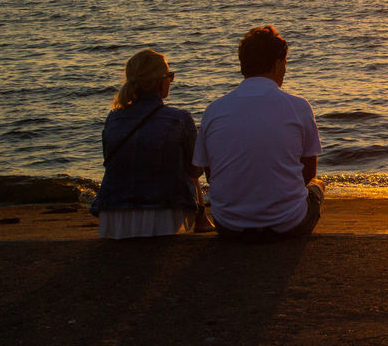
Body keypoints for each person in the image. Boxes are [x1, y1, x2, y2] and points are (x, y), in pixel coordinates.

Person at [194, 26, 324, 242]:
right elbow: (308, 172)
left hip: (228, 223)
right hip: (288, 223)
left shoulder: (215, 110)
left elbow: (209, 172)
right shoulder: (299, 106)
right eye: (285, 63)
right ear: (277, 64)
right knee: (317, 185)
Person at [93, 49, 213, 239]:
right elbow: (195, 170)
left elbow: (109, 160)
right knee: (190, 166)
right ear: (160, 81)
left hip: (114, 211)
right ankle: (201, 220)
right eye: (170, 76)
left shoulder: (113, 118)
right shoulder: (179, 119)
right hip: (164, 211)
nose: (171, 81)